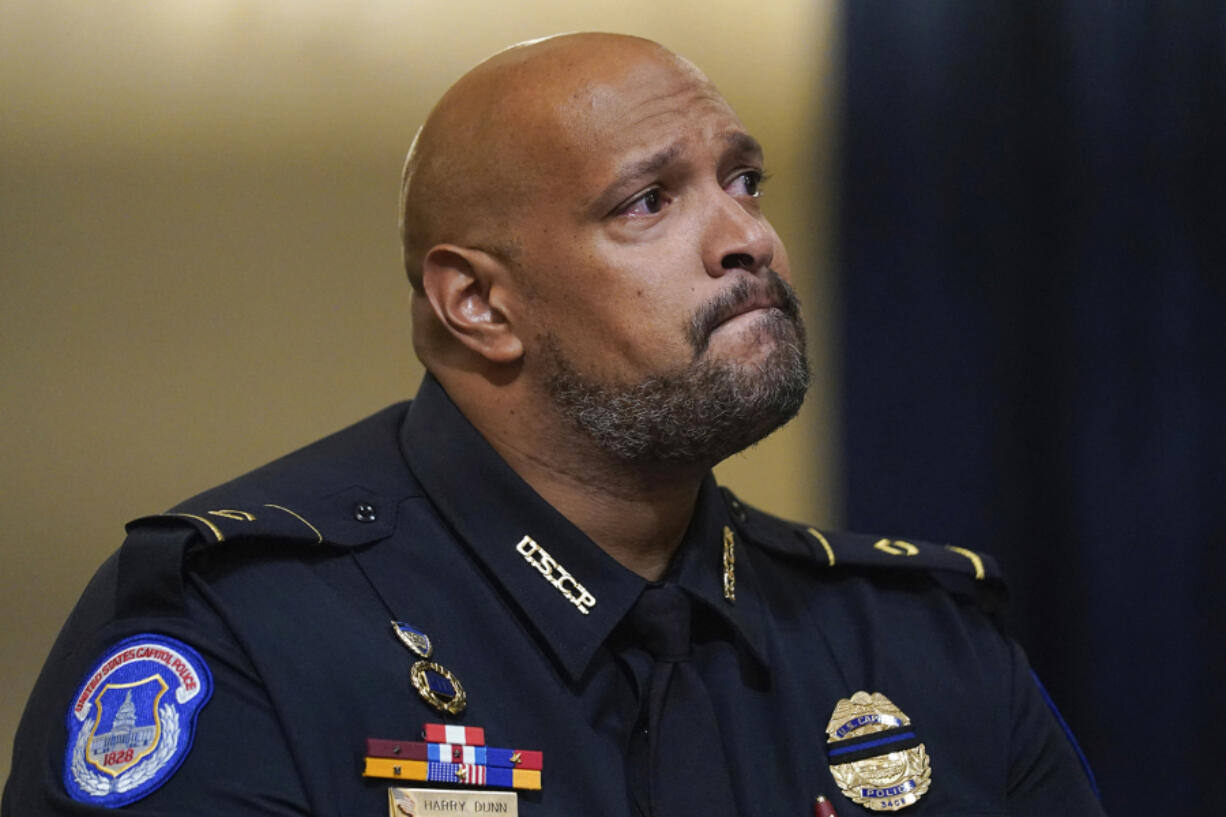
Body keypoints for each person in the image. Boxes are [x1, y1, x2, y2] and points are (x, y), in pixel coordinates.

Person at [3, 32, 1103, 817]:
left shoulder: (918, 641)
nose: (746, 239)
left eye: (744, 180)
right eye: (647, 202)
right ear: (478, 304)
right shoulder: (246, 632)